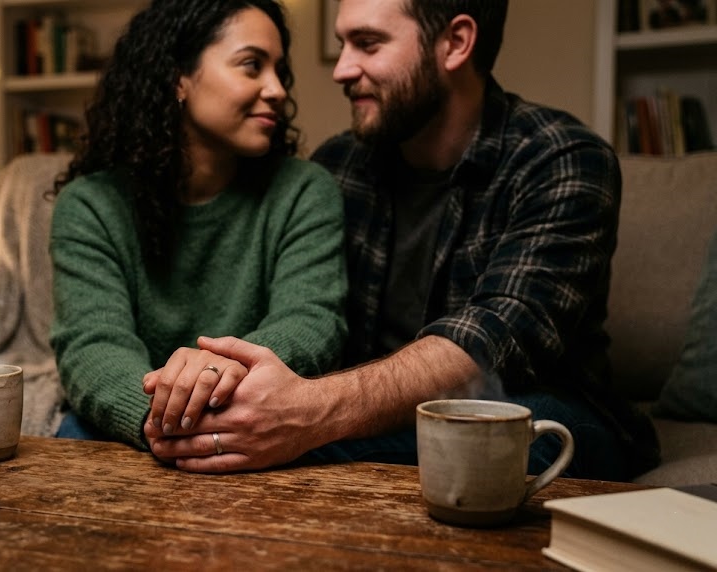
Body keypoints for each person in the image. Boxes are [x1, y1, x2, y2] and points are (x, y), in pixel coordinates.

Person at [145, 0, 661, 481]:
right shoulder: (338, 166)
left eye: (367, 44)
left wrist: (307, 414)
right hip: (365, 418)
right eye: (342, 44)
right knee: (244, 433)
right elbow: (304, 310)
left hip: (538, 413)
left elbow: (489, 345)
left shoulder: (561, 160)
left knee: (503, 427)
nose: (341, 69)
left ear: (455, 43)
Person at [49, 0, 348, 448]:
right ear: (178, 78)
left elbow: (310, 320)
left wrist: (218, 374)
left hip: (257, 410)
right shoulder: (90, 205)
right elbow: (92, 345)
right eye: (252, 65)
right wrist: (161, 418)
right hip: (140, 422)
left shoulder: (304, 190)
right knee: (73, 439)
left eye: (279, 71)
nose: (277, 90)